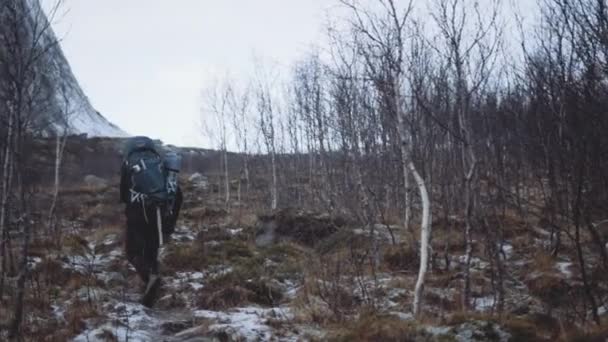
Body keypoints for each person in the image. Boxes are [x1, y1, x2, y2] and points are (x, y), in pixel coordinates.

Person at [120, 136, 183, 307]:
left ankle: (149, 278)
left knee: (132, 252)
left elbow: (123, 195)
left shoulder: (129, 162)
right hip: (157, 213)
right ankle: (154, 276)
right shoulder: (160, 162)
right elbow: (177, 195)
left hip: (136, 213)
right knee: (151, 248)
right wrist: (169, 225)